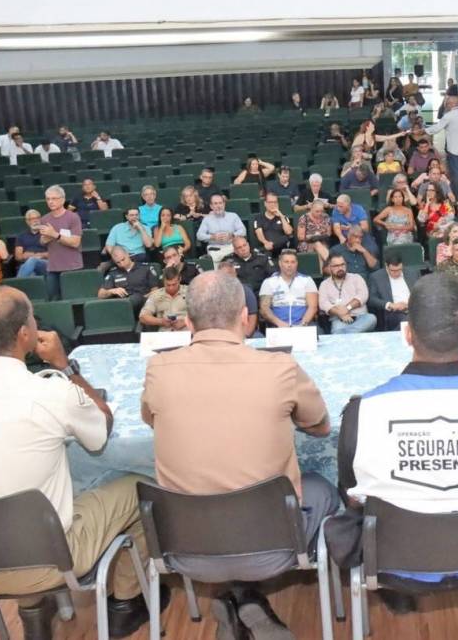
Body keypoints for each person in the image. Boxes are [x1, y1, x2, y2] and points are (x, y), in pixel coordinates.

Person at [328, 273, 458, 616]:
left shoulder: (362, 411)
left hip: (394, 560)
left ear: (408, 334)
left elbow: (352, 494)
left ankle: (398, 591)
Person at [141, 271, 335, 637]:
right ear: (246, 318)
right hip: (273, 547)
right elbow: (321, 427)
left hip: (186, 547)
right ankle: (246, 597)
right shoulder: (280, 368)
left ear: (188, 322)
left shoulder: (158, 370)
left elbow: (152, 420)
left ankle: (239, 597)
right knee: (323, 488)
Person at [0, 286, 159, 640]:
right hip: (50, 560)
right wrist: (65, 368)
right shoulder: (49, 391)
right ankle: (126, 602)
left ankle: (33, 611)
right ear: (24, 334)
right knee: (144, 486)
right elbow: (101, 428)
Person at [39, 186, 83, 300]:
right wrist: (46, 238)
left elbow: (75, 242)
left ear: (62, 200)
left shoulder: (73, 217)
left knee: (73, 299)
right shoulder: (44, 219)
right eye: (48, 199)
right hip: (53, 267)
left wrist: (54, 234)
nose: (50, 201)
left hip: (72, 266)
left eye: (54, 198)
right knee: (54, 300)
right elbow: (42, 241)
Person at [318, 252, 377, 334]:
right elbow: (323, 303)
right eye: (336, 266)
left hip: (361, 317)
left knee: (372, 318)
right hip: (339, 319)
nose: (340, 268)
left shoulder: (356, 278)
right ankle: (349, 334)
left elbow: (363, 296)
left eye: (342, 264)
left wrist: (347, 308)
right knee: (337, 330)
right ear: (329, 267)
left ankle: (345, 335)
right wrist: (340, 313)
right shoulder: (324, 284)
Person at [258, 248, 317, 329]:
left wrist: (302, 324)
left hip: (303, 325)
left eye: (293, 262)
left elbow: (312, 307)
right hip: (277, 326)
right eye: (286, 262)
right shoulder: (269, 282)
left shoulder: (307, 280)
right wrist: (279, 323)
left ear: (297, 263)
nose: (289, 265)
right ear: (280, 263)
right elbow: (264, 309)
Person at [367, 249, 417, 331]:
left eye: (399, 270)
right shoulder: (376, 277)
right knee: (408, 320)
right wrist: (391, 305)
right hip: (394, 312)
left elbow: (420, 292)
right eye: (393, 271)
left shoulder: (412, 273)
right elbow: (372, 299)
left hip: (413, 308)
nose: (397, 273)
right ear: (386, 266)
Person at [98, 245, 158, 312]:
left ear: (127, 254)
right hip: (122, 305)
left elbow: (155, 291)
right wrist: (112, 291)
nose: (122, 264)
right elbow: (100, 295)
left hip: (143, 304)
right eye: (118, 262)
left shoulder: (145, 268)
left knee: (135, 298)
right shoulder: (113, 272)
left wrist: (143, 298)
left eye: (123, 259)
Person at [197, 194, 246, 263]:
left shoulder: (233, 216)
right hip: (215, 248)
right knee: (215, 256)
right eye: (215, 203)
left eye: (220, 203)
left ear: (224, 204)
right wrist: (212, 237)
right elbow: (199, 235)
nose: (218, 206)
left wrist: (232, 235)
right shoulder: (207, 219)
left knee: (239, 250)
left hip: (231, 246)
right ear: (211, 206)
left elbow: (243, 231)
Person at [216, 260, 260, 338]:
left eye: (229, 274)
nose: (227, 277)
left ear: (235, 274)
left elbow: (252, 315)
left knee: (258, 337)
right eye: (223, 275)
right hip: (220, 333)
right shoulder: (213, 293)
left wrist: (247, 334)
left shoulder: (246, 291)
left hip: (243, 331)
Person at [139, 265, 189, 332]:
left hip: (186, 331)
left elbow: (201, 313)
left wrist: (185, 321)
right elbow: (143, 317)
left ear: (180, 279)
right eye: (168, 285)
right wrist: (161, 321)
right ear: (163, 281)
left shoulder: (190, 292)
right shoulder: (156, 295)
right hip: (164, 333)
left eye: (174, 284)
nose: (171, 288)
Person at [14, 209, 48, 278]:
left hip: (45, 264)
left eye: (37, 218)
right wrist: (25, 256)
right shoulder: (21, 236)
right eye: (32, 219)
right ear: (27, 221)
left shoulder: (47, 233)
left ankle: (17, 283)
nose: (36, 221)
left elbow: (54, 253)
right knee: (31, 274)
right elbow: (18, 257)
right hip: (27, 264)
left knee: (32, 260)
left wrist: (39, 255)